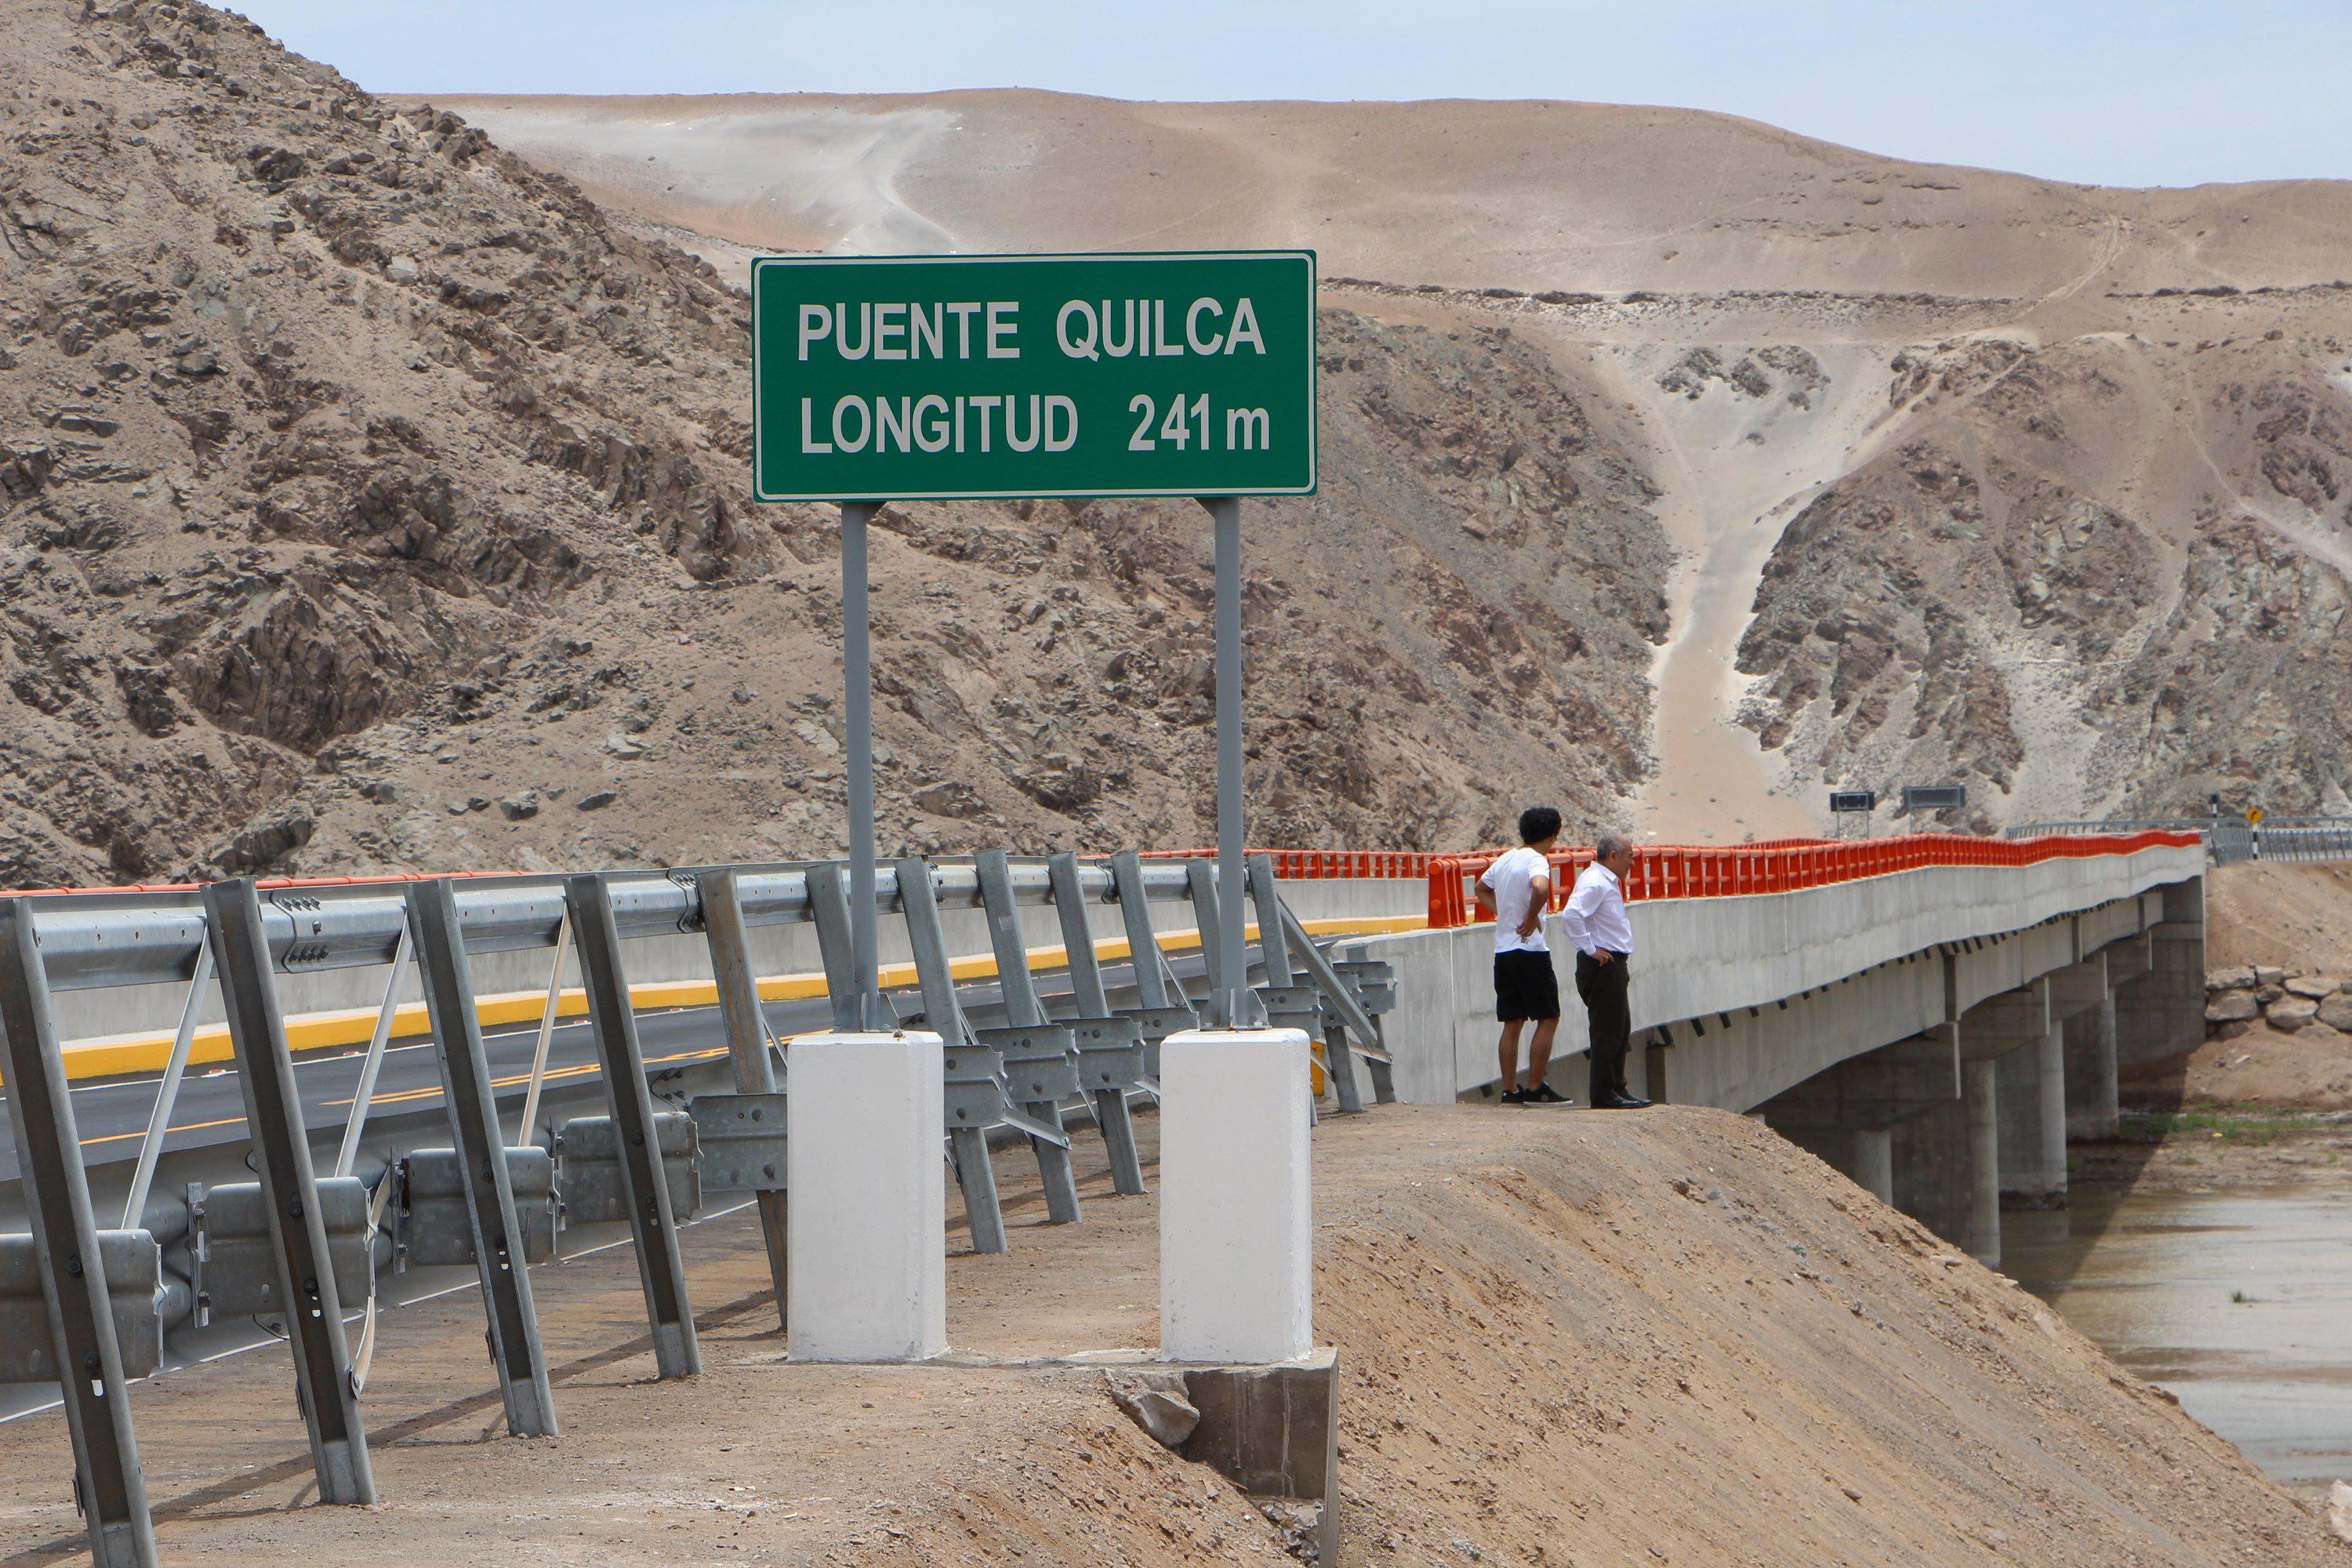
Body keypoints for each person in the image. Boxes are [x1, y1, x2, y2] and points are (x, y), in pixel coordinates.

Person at [1474, 807, 1569, 1105]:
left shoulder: (1505, 860)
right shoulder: (1537, 860)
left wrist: (1504, 914)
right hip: (1530, 949)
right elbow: (1540, 887)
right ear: (1553, 835)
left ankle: (1510, 1089)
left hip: (1504, 950)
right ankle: (1535, 1086)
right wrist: (1529, 917)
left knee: (1512, 1022)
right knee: (1548, 1017)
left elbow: (1480, 888)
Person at [1562, 833, 1650, 1109]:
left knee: (1620, 1029)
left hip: (1613, 964)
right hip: (1603, 965)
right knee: (1607, 1032)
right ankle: (1603, 1095)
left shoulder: (1605, 882)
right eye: (1629, 857)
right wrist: (1590, 949)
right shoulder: (1596, 882)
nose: (1632, 863)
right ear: (1613, 856)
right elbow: (1571, 914)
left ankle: (1617, 1088)